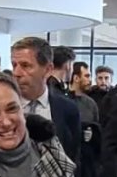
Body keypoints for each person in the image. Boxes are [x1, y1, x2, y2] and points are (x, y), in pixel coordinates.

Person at [10, 37, 81, 165]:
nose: (17, 73)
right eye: (14, 65)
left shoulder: (67, 109)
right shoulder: (3, 107)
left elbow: (73, 155)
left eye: (25, 66)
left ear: (48, 69)